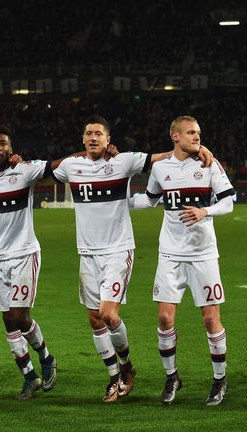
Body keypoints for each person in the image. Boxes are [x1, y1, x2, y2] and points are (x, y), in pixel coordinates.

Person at [51, 115, 212, 403]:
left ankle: (125, 366)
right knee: (94, 319)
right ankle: (115, 375)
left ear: (108, 140)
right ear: (82, 139)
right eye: (88, 134)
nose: (93, 138)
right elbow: (50, 169)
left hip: (117, 249)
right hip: (86, 252)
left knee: (108, 314)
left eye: (99, 134)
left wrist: (199, 150)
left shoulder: (124, 161)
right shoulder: (71, 166)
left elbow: (161, 157)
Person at [130, 116, 234, 406]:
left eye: (198, 133)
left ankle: (219, 379)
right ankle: (172, 376)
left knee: (211, 319)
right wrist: (117, 198)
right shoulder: (161, 168)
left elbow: (228, 201)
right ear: (175, 136)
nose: (197, 137)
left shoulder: (209, 164)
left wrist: (206, 212)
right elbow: (148, 201)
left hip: (203, 255)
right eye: (191, 133)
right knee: (164, 319)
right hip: (170, 254)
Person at [0, 126, 59, 400]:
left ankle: (46, 358)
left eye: (3, 144)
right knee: (8, 321)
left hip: (24, 254)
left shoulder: (24, 171)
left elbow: (57, 165)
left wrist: (100, 154)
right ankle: (29, 376)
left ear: (10, 149)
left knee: (18, 316)